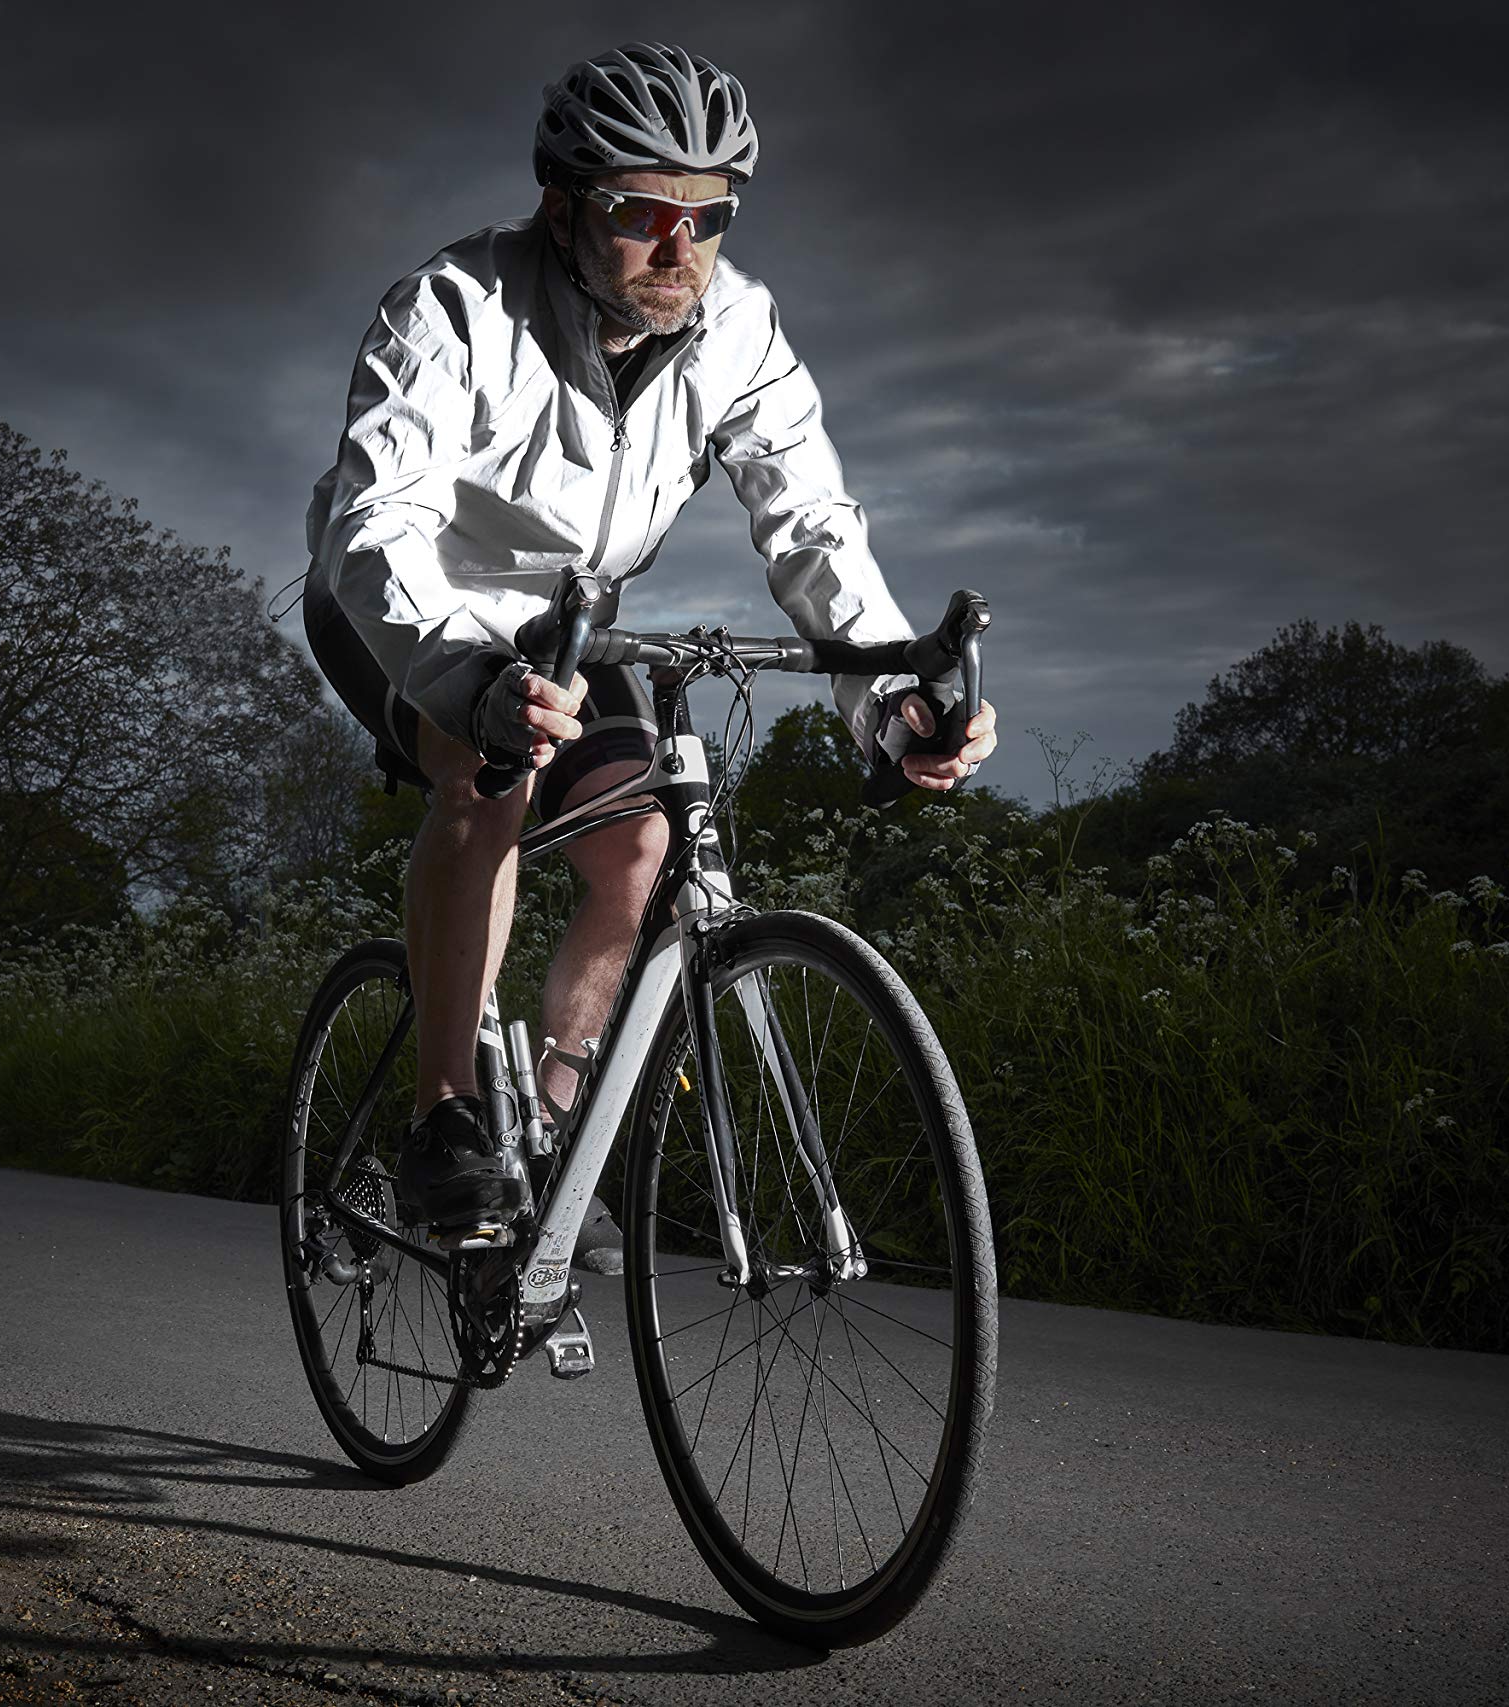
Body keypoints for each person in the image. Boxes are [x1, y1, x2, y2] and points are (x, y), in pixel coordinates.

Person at [302, 42, 998, 1270]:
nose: (681, 249)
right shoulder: (454, 307)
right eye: (641, 214)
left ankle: (547, 1137)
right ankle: (445, 1118)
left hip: (573, 613)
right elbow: (377, 525)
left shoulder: (740, 327)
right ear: (562, 207)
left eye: (708, 217)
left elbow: (812, 526)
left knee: (641, 852)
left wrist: (889, 697)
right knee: (484, 773)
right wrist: (467, 679)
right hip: (404, 603)